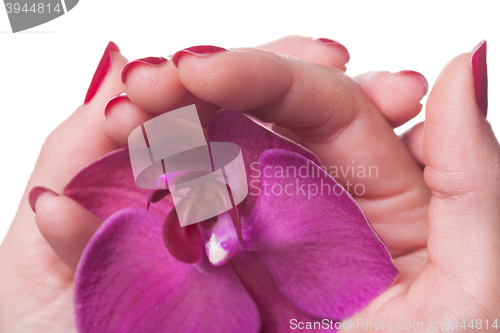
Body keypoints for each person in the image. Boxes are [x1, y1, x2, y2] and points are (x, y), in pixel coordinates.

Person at [0, 35, 496, 332]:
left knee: (168, 110)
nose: (213, 235)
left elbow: (362, 270)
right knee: (166, 112)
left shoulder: (190, 160)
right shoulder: (181, 170)